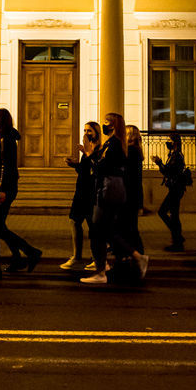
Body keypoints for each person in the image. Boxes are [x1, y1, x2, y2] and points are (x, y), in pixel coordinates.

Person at [81, 112, 147, 284]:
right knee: (105, 230)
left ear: (113, 125)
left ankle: (102, 271)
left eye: (106, 122)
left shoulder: (115, 144)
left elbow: (103, 167)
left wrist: (89, 154)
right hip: (109, 187)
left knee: (97, 230)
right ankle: (135, 257)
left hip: (109, 188)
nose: (103, 125)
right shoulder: (112, 143)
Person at [0, 108, 42, 280]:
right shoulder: (0, 139)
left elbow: (7, 167)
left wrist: (1, 189)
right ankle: (28, 254)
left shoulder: (6, 140)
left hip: (3, 187)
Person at [62, 122, 100, 269]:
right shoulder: (88, 149)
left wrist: (87, 153)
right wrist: (75, 165)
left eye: (89, 130)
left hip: (91, 192)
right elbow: (85, 171)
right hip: (81, 191)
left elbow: (96, 170)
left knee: (92, 226)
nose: (86, 133)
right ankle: (78, 256)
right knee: (74, 221)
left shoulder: (97, 149)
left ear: (96, 132)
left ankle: (97, 258)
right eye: (84, 130)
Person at [153, 132, 190, 251]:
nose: (167, 142)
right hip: (175, 188)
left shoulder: (177, 156)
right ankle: (178, 239)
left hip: (176, 189)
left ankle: (178, 241)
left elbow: (168, 171)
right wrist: (160, 164)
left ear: (175, 142)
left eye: (169, 140)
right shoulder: (173, 155)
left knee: (164, 212)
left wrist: (159, 163)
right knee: (173, 215)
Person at [122, 125, 146, 254]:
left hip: (129, 194)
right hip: (133, 194)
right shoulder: (135, 151)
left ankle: (138, 255)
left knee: (129, 228)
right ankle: (136, 255)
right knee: (131, 228)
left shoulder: (131, 152)